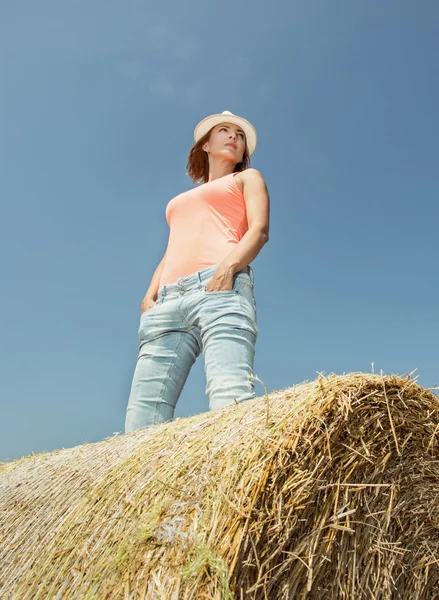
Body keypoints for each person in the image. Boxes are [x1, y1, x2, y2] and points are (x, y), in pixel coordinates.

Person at [124, 110, 270, 432]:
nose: (234, 136)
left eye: (240, 135)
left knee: (229, 396)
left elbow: (258, 230)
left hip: (220, 289)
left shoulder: (247, 178)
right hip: (167, 300)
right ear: (206, 144)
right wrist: (150, 293)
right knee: (142, 417)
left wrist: (228, 267)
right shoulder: (181, 199)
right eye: (225, 130)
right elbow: (173, 248)